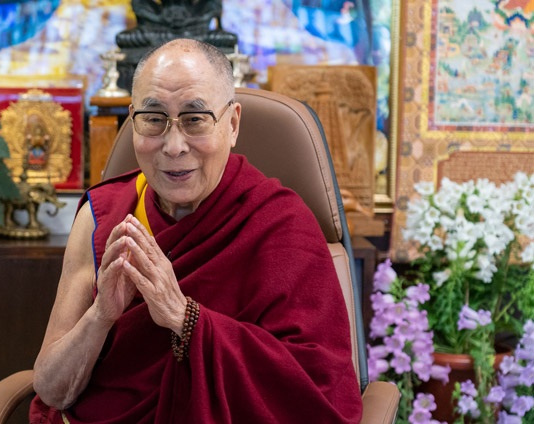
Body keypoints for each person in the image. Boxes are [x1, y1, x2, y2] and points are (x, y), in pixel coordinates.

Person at [30, 38, 362, 423]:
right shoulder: (104, 217)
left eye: (195, 119)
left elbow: (316, 391)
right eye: (154, 119)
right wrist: (101, 316)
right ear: (132, 119)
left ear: (232, 124)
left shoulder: (281, 225)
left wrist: (184, 317)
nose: (173, 146)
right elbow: (52, 389)